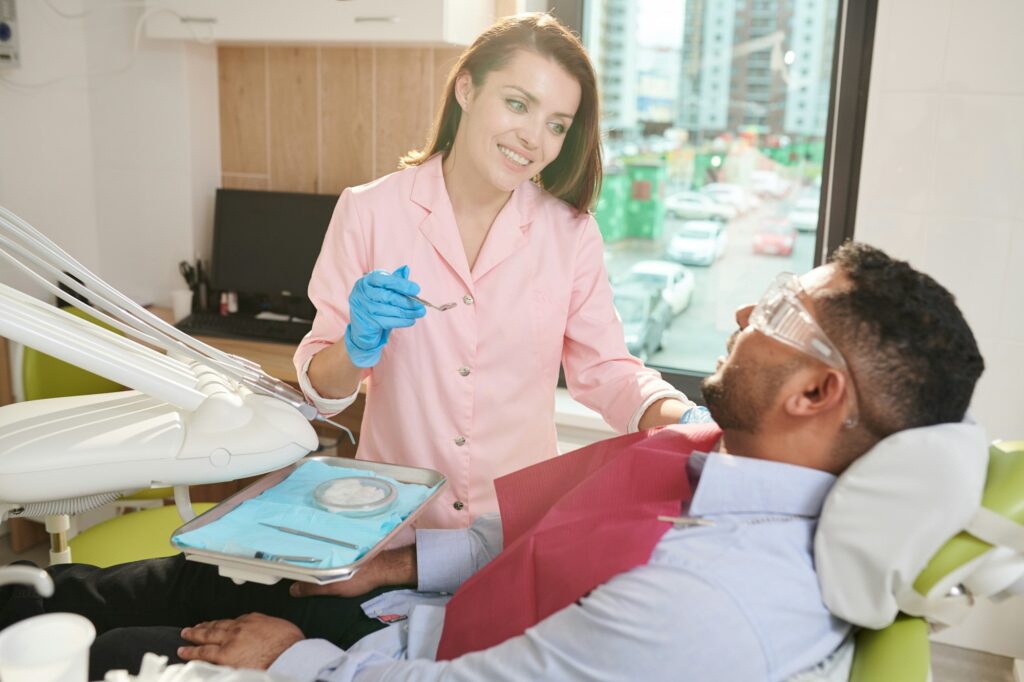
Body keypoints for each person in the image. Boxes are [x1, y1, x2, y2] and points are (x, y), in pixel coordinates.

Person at [0, 243, 985, 680]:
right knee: (154, 577)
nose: (739, 314)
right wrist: (392, 563)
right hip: (413, 611)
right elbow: (553, 543)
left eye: (776, 313)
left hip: (397, 661)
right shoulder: (711, 472)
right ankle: (41, 585)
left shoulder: (713, 606)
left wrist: (292, 657)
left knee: (118, 650)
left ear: (815, 394)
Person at [293, 13, 705, 531]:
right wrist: (354, 345)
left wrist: (685, 420)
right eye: (517, 103)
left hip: (512, 531)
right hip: (392, 523)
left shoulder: (570, 234)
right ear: (466, 88)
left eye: (556, 125)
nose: (533, 138)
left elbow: (606, 372)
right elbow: (322, 393)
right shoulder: (370, 211)